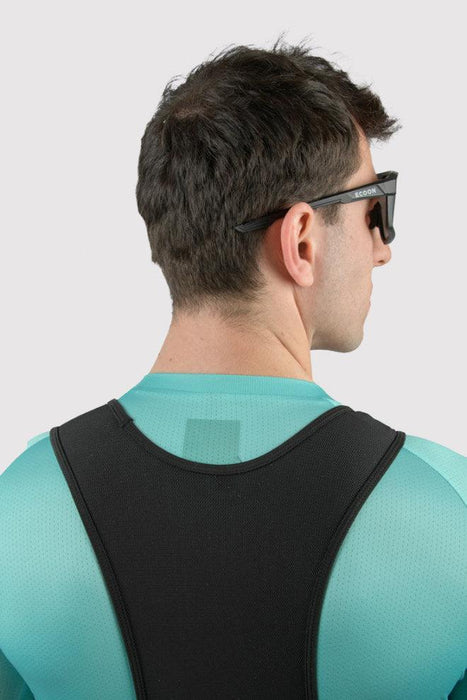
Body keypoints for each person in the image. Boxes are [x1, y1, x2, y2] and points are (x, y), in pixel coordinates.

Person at [1, 35, 466, 700]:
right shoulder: (447, 512)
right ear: (301, 240)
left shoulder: (20, 513)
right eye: (374, 210)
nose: (383, 249)